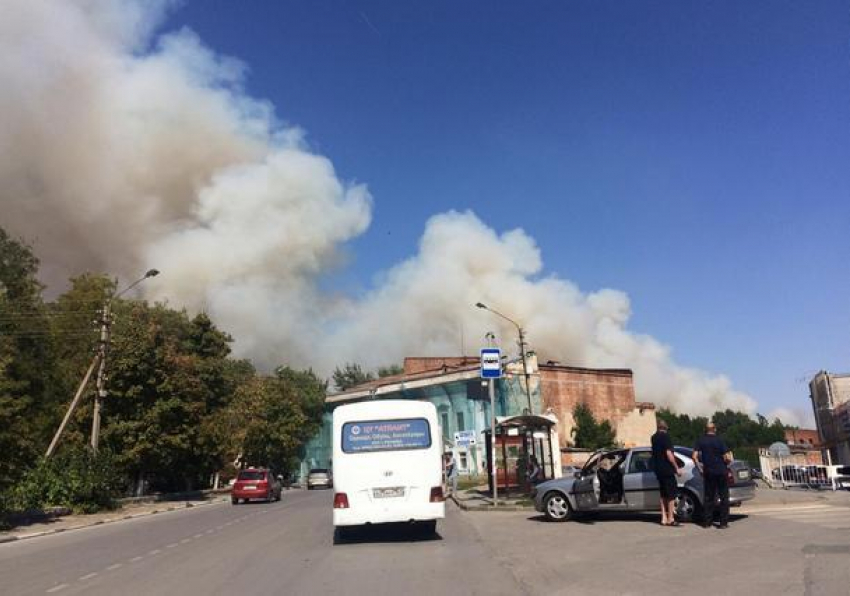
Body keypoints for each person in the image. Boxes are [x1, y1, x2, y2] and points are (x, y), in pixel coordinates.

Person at [693, 422, 732, 529]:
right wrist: (727, 463)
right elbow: (727, 457)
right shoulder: (720, 440)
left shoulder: (701, 440)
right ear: (714, 429)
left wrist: (700, 469)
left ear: (706, 429)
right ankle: (723, 523)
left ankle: (707, 522)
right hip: (721, 471)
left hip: (709, 472)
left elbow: (694, 456)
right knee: (724, 497)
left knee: (708, 497)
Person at [651, 419, 682, 526]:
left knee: (663, 494)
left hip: (658, 469)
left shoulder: (653, 438)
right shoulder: (666, 437)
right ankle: (670, 518)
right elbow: (669, 454)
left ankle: (663, 517)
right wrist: (676, 467)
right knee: (671, 494)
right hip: (667, 469)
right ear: (665, 428)